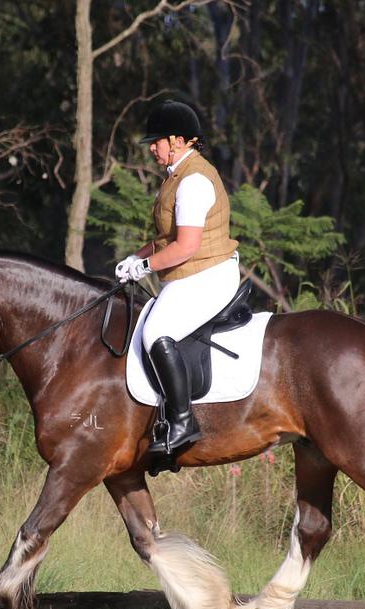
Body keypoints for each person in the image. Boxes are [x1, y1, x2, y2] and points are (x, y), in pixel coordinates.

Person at [116, 100, 240, 457]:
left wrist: (145, 267)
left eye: (157, 141)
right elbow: (168, 237)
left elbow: (185, 247)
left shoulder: (194, 180)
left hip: (209, 274)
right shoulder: (176, 177)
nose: (152, 148)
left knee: (156, 331)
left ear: (178, 140)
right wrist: (134, 258)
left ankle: (183, 421)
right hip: (194, 272)